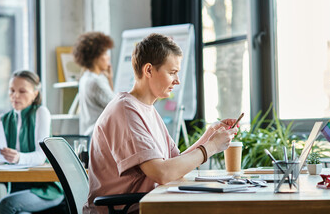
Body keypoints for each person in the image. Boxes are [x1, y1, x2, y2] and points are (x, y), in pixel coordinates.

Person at [83, 33, 239, 214]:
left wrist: (209, 136)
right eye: (172, 72)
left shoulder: (146, 109)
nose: (177, 80)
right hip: (126, 210)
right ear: (148, 70)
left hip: (141, 205)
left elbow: (175, 167)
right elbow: (162, 174)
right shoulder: (125, 110)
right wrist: (211, 147)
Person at [0, 70, 64, 213]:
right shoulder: (2, 120)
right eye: (12, 91)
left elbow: (41, 157)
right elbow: (0, 160)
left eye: (22, 91)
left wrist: (18, 157)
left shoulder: (41, 113)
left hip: (46, 189)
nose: (15, 96)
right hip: (18, 187)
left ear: (35, 94)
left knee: (5, 205)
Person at [73, 32, 116, 136]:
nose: (108, 58)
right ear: (96, 57)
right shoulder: (96, 82)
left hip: (89, 135)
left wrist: (109, 79)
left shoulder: (86, 78)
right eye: (105, 54)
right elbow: (117, 106)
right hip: (98, 137)